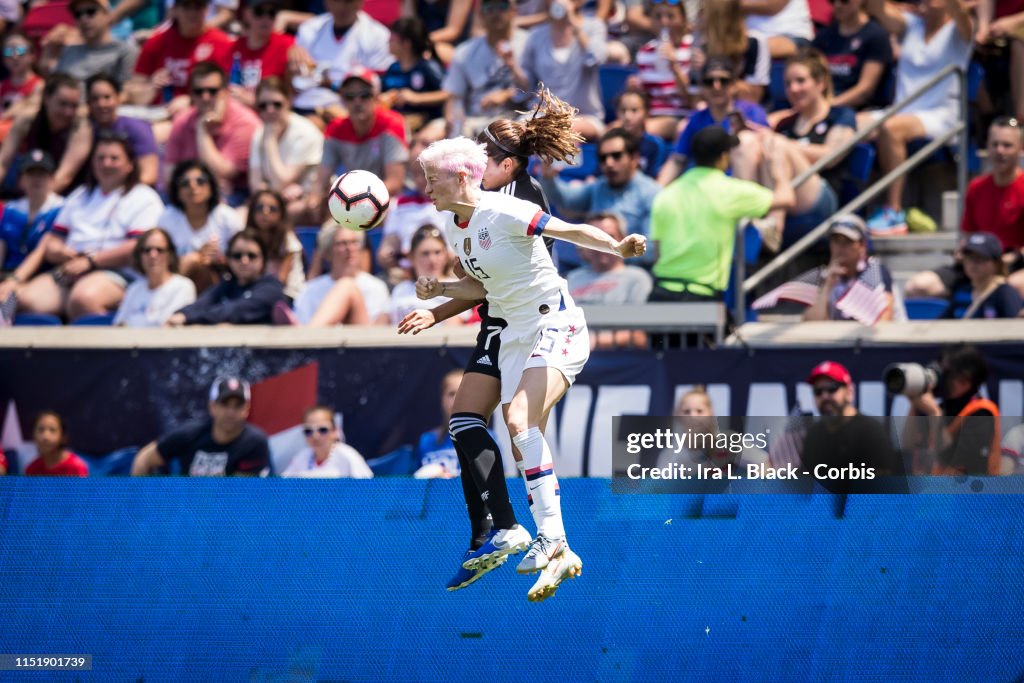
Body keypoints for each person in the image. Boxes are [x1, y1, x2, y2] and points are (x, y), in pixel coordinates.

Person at [412, 133, 647, 602]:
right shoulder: (457, 228)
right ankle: (552, 543)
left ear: (461, 176)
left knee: (518, 420)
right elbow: (484, 289)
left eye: (431, 178)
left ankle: (551, 540)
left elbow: (570, 230)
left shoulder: (505, 209)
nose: (425, 188)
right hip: (514, 335)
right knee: (521, 437)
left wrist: (617, 247)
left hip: (554, 323)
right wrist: (438, 291)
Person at [396, 93, 572, 593]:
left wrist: (442, 298)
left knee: (510, 427)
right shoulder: (473, 207)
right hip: (498, 318)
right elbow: (474, 280)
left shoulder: (517, 204)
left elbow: (482, 282)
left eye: (482, 161)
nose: (470, 168)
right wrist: (437, 307)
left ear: (506, 166)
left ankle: (525, 532)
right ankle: (492, 534)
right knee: (464, 422)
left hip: (524, 323)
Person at [14, 133, 164, 321]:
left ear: (129, 165)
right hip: (71, 269)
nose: (106, 163)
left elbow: (139, 246)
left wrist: (91, 261)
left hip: (120, 274)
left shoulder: (144, 197)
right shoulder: (80, 195)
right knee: (23, 300)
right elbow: (52, 241)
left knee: (83, 298)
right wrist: (63, 253)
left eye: (114, 158)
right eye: (100, 158)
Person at [861, 0, 973, 235]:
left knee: (891, 128)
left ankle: (893, 211)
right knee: (851, 124)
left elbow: (960, 13)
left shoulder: (959, 30)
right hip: (901, 112)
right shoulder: (910, 25)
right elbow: (874, 6)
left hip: (942, 116)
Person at [650, 126, 794, 304]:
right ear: (724, 157)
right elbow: (787, 198)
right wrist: (778, 170)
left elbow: (657, 252)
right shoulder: (730, 191)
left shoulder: (666, 194)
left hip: (661, 294)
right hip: (702, 297)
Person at [906, 118, 1024, 300]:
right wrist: (966, 254)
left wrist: (1005, 262)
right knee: (918, 286)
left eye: (1007, 145)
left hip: (1013, 265)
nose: (1000, 151)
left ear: (1020, 149)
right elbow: (968, 235)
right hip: (977, 262)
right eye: (995, 145)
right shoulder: (976, 187)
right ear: (987, 148)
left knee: (1014, 288)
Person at [538, 127, 660, 266]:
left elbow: (651, 251)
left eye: (616, 155)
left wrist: (614, 253)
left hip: (631, 274)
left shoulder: (651, 193)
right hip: (593, 271)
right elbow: (566, 199)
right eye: (603, 158)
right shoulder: (599, 186)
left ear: (634, 158)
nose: (609, 163)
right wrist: (548, 177)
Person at [308, 68, 408, 216]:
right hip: (352, 199)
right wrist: (314, 200)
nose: (357, 102)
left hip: (390, 199)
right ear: (342, 100)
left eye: (364, 95)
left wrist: (357, 199)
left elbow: (394, 183)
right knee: (302, 210)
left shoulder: (392, 124)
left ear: (376, 97)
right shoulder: (335, 129)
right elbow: (321, 180)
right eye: (349, 96)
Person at [656, 58, 768, 186]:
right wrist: (657, 192)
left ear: (734, 85)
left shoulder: (752, 112)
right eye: (709, 82)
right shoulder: (696, 119)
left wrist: (747, 129)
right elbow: (677, 160)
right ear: (702, 88)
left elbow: (767, 149)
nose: (716, 86)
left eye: (723, 81)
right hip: (703, 189)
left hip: (740, 187)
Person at [165, 61, 262, 204]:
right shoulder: (182, 121)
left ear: (225, 92)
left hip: (236, 195)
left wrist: (203, 131)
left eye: (212, 91)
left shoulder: (245, 122)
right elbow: (169, 177)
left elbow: (223, 172)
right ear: (191, 94)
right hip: (190, 193)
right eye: (199, 91)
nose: (205, 97)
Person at [131, 377, 271, 476]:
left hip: (226, 514)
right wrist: (144, 505)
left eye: (237, 406)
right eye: (225, 404)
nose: (230, 412)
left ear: (246, 409)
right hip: (185, 510)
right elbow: (143, 459)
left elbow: (236, 497)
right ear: (212, 407)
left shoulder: (254, 443)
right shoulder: (190, 434)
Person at [800, 361, 903, 492]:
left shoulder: (871, 431)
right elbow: (805, 486)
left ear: (849, 392)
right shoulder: (814, 434)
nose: (824, 396)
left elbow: (883, 487)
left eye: (832, 388)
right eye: (818, 391)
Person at [902, 344, 1001, 476]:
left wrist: (934, 414)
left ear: (965, 380)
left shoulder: (982, 412)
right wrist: (915, 402)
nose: (940, 377)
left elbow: (960, 461)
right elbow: (908, 443)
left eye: (946, 373)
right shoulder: (942, 408)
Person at [520, 0, 608, 140]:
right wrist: (512, 65)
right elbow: (525, 85)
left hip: (584, 117)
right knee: (515, 131)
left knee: (558, 130)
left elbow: (597, 58)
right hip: (543, 117)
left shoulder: (594, 26)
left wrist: (573, 23)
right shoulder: (535, 35)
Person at [442, 0, 530, 137]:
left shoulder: (530, 44)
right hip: (474, 121)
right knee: (425, 141)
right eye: (489, 7)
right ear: (480, 15)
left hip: (516, 121)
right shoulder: (465, 52)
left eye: (502, 6)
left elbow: (539, 91)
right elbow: (454, 96)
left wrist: (507, 94)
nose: (495, 13)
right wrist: (452, 121)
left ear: (513, 11)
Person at [566, 212, 653, 348]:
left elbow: (639, 335)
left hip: (618, 361)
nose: (602, 244)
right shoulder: (572, 279)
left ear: (622, 240)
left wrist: (593, 342)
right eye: (593, 238)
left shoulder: (637, 279)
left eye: (610, 237)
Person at [167, 229, 287, 325]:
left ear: (263, 260)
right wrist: (181, 314)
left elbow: (236, 311)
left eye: (251, 256)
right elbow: (200, 304)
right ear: (228, 259)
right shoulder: (228, 284)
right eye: (237, 256)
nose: (244, 261)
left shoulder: (271, 288)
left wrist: (188, 318)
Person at [292, 0, 393, 112]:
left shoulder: (378, 34)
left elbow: (375, 87)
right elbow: (296, 79)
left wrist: (332, 84)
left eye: (348, 1)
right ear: (327, 2)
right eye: (337, 1)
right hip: (307, 104)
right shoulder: (309, 29)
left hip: (353, 109)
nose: (342, 7)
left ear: (360, 2)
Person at [376, 119, 448, 275]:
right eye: (416, 174)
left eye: (426, 174)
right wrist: (386, 253)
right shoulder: (399, 204)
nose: (421, 180)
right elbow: (390, 240)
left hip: (448, 272)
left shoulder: (455, 203)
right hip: (407, 275)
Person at [0, 74, 92, 196]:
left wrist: (34, 203)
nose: (68, 112)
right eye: (63, 104)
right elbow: (3, 162)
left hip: (67, 200)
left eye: (74, 106)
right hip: (31, 193)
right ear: (46, 98)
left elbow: (64, 177)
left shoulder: (80, 129)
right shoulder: (27, 120)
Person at [128, 0, 233, 106]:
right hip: (159, 111)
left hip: (202, 111)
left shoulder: (221, 43)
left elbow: (227, 90)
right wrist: (152, 86)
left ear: (206, 10)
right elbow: (134, 89)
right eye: (186, 6)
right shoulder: (157, 41)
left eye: (198, 7)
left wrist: (190, 101)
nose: (192, 13)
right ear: (175, 9)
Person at [159, 160, 242, 292]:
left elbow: (245, 258)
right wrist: (197, 257)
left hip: (224, 284)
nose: (193, 186)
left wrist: (220, 260)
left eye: (200, 181)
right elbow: (158, 260)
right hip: (176, 285)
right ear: (177, 190)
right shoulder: (166, 219)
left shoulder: (228, 217)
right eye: (185, 183)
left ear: (211, 186)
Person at [248, 77, 323, 222]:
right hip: (275, 201)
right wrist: (273, 193)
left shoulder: (305, 132)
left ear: (288, 102)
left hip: (307, 200)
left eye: (277, 104)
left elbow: (281, 181)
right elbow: (255, 184)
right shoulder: (259, 134)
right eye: (263, 106)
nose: (270, 110)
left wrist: (270, 141)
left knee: (282, 213)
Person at [800, 214, 895, 323]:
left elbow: (884, 320)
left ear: (862, 245)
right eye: (836, 241)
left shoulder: (875, 272)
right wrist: (827, 285)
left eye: (848, 241)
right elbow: (811, 323)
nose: (841, 247)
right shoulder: (827, 275)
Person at [655, 386, 769, 472]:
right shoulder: (669, 454)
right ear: (678, 416)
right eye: (686, 411)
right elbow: (660, 489)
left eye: (699, 411)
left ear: (711, 413)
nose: (693, 416)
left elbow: (767, 464)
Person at [811, 0, 894, 110]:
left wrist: (829, 106)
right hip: (824, 105)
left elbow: (864, 91)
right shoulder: (824, 36)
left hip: (858, 110)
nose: (837, 5)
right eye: (832, 0)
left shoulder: (876, 36)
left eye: (844, 1)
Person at [294, 225, 383, 325]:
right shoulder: (310, 290)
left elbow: (376, 328)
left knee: (346, 286)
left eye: (354, 242)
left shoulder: (375, 287)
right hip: (324, 339)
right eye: (342, 243)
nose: (350, 248)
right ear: (328, 251)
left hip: (361, 338)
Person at [0, 150, 64, 285]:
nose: (36, 179)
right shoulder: (11, 209)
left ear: (52, 178)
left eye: (42, 174)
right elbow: (2, 245)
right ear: (20, 180)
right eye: (30, 174)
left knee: (8, 302)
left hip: (41, 278)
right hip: (7, 274)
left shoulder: (62, 209)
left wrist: (14, 281)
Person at [634, 0, 695, 141]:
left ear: (683, 19)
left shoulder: (693, 49)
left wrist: (674, 65)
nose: (664, 22)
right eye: (658, 16)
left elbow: (691, 99)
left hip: (680, 117)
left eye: (670, 16)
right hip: (650, 116)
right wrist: (635, 89)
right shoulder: (644, 52)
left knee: (635, 130)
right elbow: (646, 98)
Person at [85, 74, 160, 187]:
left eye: (107, 97)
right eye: (95, 99)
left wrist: (117, 195)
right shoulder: (86, 130)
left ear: (118, 98)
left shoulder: (137, 128)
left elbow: (149, 176)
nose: (101, 104)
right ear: (88, 103)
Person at [114, 228, 197, 327]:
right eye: (147, 250)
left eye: (159, 250)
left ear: (170, 255)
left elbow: (171, 328)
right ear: (139, 256)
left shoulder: (183, 286)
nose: (153, 255)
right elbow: (119, 326)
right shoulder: (134, 289)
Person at [46, 0, 139, 84]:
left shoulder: (125, 51)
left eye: (91, 12)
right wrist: (50, 53)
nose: (84, 19)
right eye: (78, 14)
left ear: (107, 14)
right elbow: (55, 88)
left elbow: (125, 94)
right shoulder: (68, 51)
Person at [694, 0, 770, 104]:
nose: (701, 17)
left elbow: (754, 96)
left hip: (746, 114)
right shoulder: (703, 47)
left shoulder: (754, 42)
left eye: (706, 12)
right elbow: (694, 101)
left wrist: (712, 68)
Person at [381, 18, 447, 131]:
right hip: (397, 122)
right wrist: (386, 98)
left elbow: (447, 93)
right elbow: (383, 94)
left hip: (428, 123)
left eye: (392, 40)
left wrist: (417, 98)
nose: (388, 43)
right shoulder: (393, 68)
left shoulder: (428, 67)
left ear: (406, 43)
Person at [390, 225, 463, 325]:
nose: (432, 260)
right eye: (425, 253)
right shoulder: (400, 289)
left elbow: (454, 329)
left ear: (446, 255)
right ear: (411, 257)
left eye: (437, 252)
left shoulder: (457, 286)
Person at [227, 0, 297, 105]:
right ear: (246, 14)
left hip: (271, 113)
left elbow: (292, 94)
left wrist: (254, 102)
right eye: (259, 12)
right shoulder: (231, 48)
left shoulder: (288, 45)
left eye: (271, 13)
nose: (266, 19)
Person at [940, 232, 1022, 319]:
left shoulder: (1005, 293)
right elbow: (942, 325)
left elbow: (1014, 327)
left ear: (996, 264)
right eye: (969, 258)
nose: (973, 264)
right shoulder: (962, 291)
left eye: (980, 258)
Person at [281, 405, 373, 478]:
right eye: (308, 431)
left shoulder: (347, 456)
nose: (315, 436)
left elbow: (369, 493)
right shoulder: (302, 457)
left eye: (322, 430)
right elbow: (279, 490)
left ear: (335, 431)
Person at [244, 190, 304, 300]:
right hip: (255, 293)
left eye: (272, 209)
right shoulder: (246, 239)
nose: (265, 213)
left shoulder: (288, 240)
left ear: (281, 214)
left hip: (286, 295)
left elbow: (280, 281)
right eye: (259, 208)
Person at [412, 370, 466, 478]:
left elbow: (497, 482)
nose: (456, 399)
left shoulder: (487, 438)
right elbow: (416, 485)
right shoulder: (426, 440)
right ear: (442, 399)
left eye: (462, 393)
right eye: (451, 394)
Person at [614, 88, 668, 178]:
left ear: (646, 113)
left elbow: (654, 180)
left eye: (634, 110)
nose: (628, 116)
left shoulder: (654, 145)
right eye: (623, 110)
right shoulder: (611, 143)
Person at [25, 410, 89, 477]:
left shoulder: (76, 468)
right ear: (33, 436)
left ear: (63, 437)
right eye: (40, 430)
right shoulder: (31, 469)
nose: (45, 437)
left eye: (52, 430)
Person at [743, 0, 814, 59]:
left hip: (792, 38)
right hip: (752, 40)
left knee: (746, 48)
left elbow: (773, 6)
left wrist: (735, 4)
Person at [0, 32, 43, 126]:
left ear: (32, 56)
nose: (14, 56)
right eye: (8, 51)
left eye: (20, 50)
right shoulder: (1, 86)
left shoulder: (40, 86)